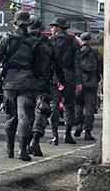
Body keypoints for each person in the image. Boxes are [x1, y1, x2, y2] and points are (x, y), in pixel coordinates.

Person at [0, 11, 49, 162]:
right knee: (25, 117)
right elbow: (42, 66)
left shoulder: (7, 40)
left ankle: (9, 149)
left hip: (9, 83)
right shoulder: (35, 43)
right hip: (28, 83)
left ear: (14, 23)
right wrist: (33, 76)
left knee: (11, 116)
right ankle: (23, 150)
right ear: (28, 24)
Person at [28, 19, 65, 156]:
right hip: (43, 84)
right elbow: (58, 65)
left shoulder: (22, 42)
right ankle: (34, 142)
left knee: (25, 114)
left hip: (24, 84)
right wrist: (61, 80)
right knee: (42, 111)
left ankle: (22, 147)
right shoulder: (49, 44)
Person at [49, 16, 81, 145]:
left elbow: (47, 61)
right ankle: (68, 134)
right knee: (69, 106)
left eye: (52, 26)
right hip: (69, 76)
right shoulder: (73, 42)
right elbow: (77, 63)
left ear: (57, 28)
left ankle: (55, 136)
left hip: (55, 76)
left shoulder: (51, 41)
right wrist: (79, 81)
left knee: (54, 106)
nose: (51, 29)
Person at [73, 33, 103, 141]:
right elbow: (102, 69)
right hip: (92, 83)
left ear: (81, 41)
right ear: (90, 41)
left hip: (78, 83)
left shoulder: (77, 53)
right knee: (90, 107)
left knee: (78, 105)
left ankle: (79, 124)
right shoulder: (96, 54)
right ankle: (88, 131)